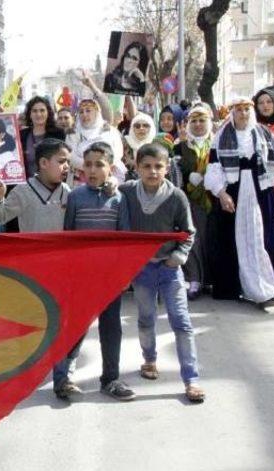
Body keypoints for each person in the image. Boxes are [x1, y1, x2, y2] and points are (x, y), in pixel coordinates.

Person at [119, 143, 204, 403]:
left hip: (169, 268)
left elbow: (188, 232)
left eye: (158, 166)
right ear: (136, 167)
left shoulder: (176, 196)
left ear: (167, 168)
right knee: (146, 319)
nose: (153, 171)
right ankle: (149, 360)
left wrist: (178, 257)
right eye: (146, 166)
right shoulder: (127, 192)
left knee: (182, 322)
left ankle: (191, 379)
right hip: (142, 269)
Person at [54, 141, 135, 402]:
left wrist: (123, 274)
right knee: (74, 326)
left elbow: (125, 239)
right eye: (87, 164)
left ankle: (110, 379)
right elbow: (68, 236)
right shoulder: (75, 197)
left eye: (99, 165)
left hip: (109, 277)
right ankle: (62, 379)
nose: (92, 170)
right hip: (81, 275)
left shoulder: (119, 197)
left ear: (110, 168)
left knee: (111, 328)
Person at [204, 97, 274, 308]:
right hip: (233, 191)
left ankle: (264, 289)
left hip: (260, 191)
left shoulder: (264, 133)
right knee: (232, 239)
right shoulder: (221, 137)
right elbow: (214, 168)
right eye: (239, 110)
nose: (243, 114)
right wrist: (222, 193)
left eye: (247, 109)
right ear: (232, 112)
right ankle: (234, 287)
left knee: (260, 238)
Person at [173, 104, 214, 300]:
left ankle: (210, 279)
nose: (197, 125)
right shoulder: (180, 146)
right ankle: (195, 279)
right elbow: (175, 173)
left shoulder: (217, 143)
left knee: (210, 239)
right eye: (193, 121)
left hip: (214, 199)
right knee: (193, 239)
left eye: (202, 120)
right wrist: (190, 176)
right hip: (189, 200)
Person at [0, 138, 70, 232]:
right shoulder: (23, 191)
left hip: (60, 246)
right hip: (33, 246)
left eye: (68, 162)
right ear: (43, 163)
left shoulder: (67, 190)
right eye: (62, 161)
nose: (67, 166)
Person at [66, 99, 126, 187]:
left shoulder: (109, 130)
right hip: (79, 181)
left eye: (88, 111)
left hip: (109, 178)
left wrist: (102, 167)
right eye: (81, 112)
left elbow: (118, 153)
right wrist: (92, 167)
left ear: (97, 112)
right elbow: (71, 157)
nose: (84, 114)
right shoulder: (73, 133)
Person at [19, 96, 66, 178]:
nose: (38, 114)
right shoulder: (21, 135)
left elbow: (63, 160)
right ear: (29, 114)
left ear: (48, 113)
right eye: (34, 111)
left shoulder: (58, 134)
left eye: (42, 110)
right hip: (27, 185)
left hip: (52, 183)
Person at [122, 112, 156, 180]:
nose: (141, 128)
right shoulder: (124, 143)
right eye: (137, 126)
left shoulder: (156, 145)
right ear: (132, 128)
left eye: (145, 125)